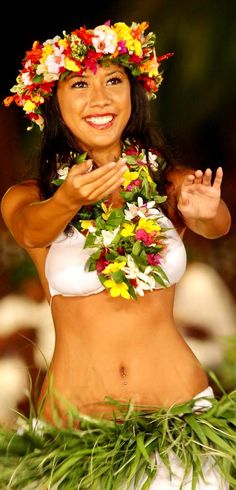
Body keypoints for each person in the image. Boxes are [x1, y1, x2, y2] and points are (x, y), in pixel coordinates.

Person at [0, 20, 235, 490]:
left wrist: (204, 211)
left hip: (180, 426)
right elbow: (30, 229)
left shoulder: (165, 182)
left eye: (114, 80)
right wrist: (69, 200)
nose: (100, 98)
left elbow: (216, 221)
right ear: (53, 99)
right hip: (75, 437)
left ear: (134, 93)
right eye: (80, 83)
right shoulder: (30, 197)